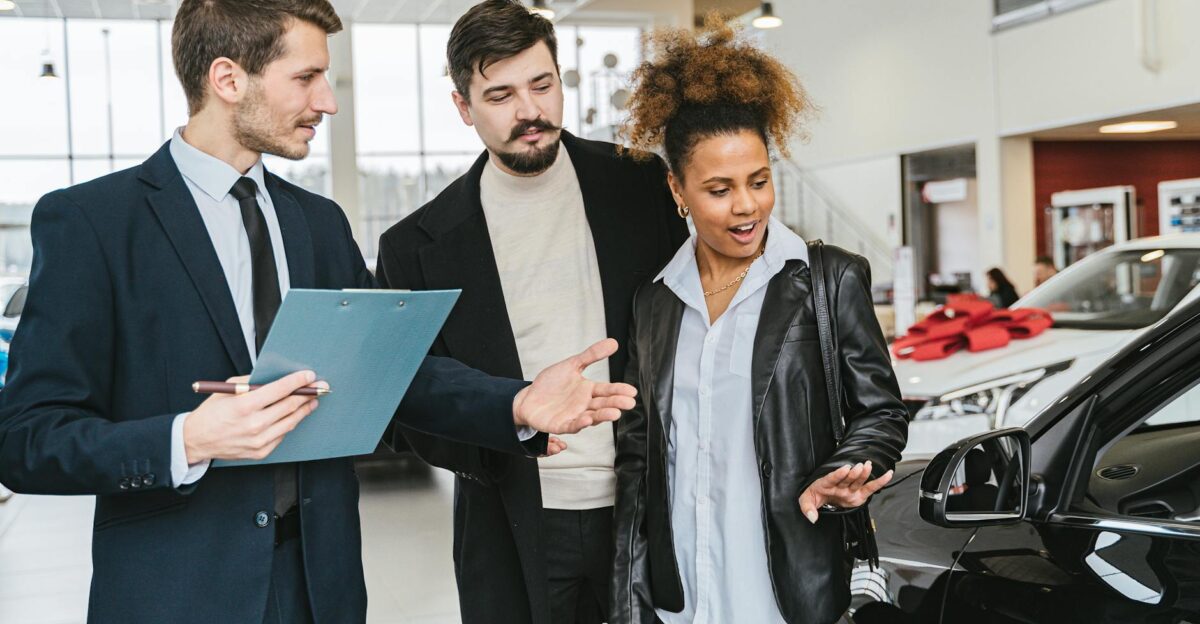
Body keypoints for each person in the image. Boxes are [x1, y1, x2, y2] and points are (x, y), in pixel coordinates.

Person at [0, 2, 637, 622]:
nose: (327, 101)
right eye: (306, 78)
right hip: (177, 591)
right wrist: (187, 439)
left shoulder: (319, 225)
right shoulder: (92, 223)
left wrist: (516, 404)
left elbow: (395, 371)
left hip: (320, 586)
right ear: (228, 79)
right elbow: (27, 440)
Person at [375, 2, 688, 623]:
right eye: (500, 95)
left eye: (542, 85)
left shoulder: (640, 185)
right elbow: (405, 402)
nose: (530, 112)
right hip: (508, 519)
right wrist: (514, 416)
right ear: (463, 107)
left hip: (648, 513)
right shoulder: (415, 246)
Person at [611, 19, 909, 624]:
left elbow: (882, 412)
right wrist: (631, 590)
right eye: (719, 189)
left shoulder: (828, 279)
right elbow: (640, 458)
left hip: (789, 583)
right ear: (678, 190)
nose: (746, 205)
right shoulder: (655, 301)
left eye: (759, 181)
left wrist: (845, 469)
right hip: (685, 590)